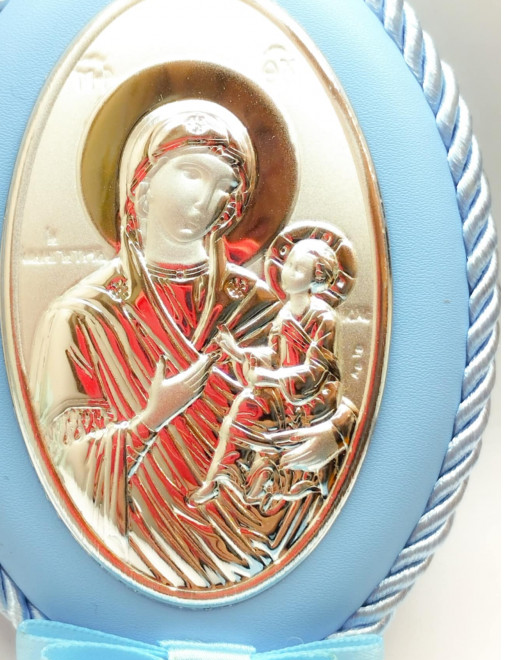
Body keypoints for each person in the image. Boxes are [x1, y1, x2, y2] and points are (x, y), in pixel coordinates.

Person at [30, 100, 346, 590]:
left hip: (263, 539)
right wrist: (151, 419)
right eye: (192, 174)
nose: (207, 199)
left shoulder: (259, 307)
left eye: (225, 186)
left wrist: (337, 435)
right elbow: (62, 469)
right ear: (143, 183)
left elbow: (317, 391)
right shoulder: (83, 317)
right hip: (131, 558)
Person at [190, 237, 356, 510]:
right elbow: (276, 357)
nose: (287, 273)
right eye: (288, 264)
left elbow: (316, 370)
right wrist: (240, 354)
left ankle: (269, 478)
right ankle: (218, 477)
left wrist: (269, 378)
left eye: (298, 269)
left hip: (311, 398)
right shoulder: (285, 314)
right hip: (283, 390)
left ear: (316, 278)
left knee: (261, 409)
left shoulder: (323, 317)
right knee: (246, 405)